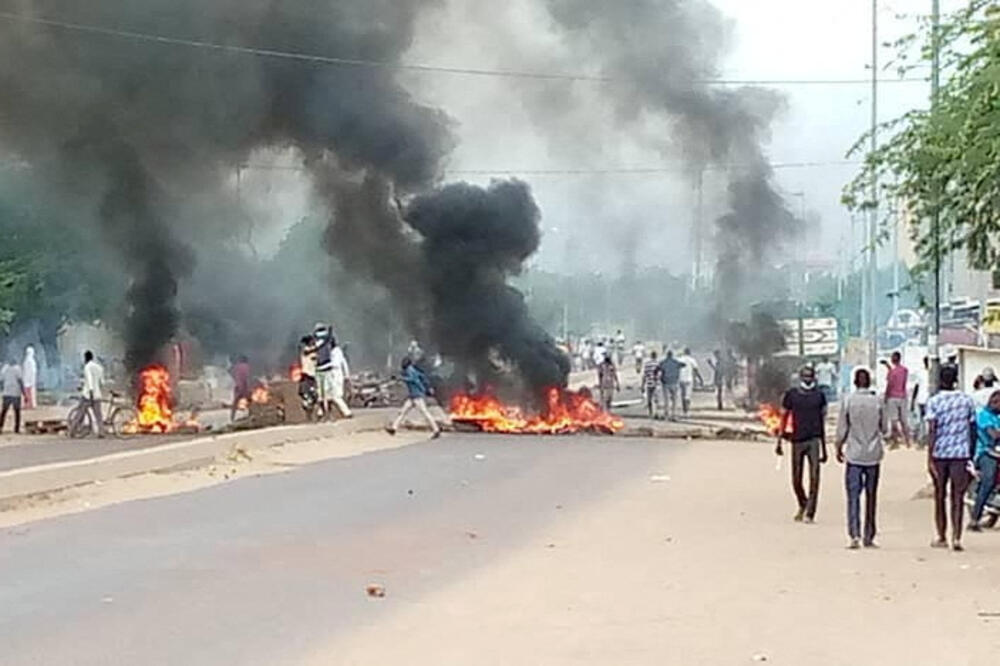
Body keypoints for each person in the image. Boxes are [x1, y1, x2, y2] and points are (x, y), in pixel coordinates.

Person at [925, 364, 977, 551]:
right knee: (958, 496)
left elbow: (932, 430)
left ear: (940, 380)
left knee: (940, 495)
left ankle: (941, 536)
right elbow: (972, 429)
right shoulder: (966, 400)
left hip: (940, 454)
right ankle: (956, 537)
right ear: (956, 380)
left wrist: (929, 457)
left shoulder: (934, 401)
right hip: (960, 454)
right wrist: (971, 454)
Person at [835, 367, 886, 548]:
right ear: (869, 382)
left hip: (854, 455)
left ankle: (854, 534)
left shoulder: (848, 400)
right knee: (872, 496)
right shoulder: (877, 401)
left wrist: (838, 446)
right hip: (873, 455)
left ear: (855, 382)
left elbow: (842, 428)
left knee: (853, 496)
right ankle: (869, 536)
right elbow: (884, 428)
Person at [776, 365, 829, 523]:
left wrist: (824, 448)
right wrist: (779, 440)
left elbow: (822, 421)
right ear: (800, 377)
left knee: (814, 478)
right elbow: (784, 417)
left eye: (810, 376)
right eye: (805, 376)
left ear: (814, 377)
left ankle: (810, 513)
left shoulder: (820, 395)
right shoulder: (792, 395)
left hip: (814, 440)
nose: (807, 379)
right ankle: (803, 503)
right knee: (796, 479)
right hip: (797, 439)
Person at [386, 357, 441, 438]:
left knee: (425, 413)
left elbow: (412, 379)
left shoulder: (410, 370)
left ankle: (436, 430)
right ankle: (393, 429)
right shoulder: (410, 370)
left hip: (417, 396)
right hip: (412, 396)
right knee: (402, 412)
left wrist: (401, 378)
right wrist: (398, 377)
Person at [970, 389, 1000, 532]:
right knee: (988, 482)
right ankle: (975, 518)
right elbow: (993, 435)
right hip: (986, 453)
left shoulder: (997, 416)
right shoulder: (983, 415)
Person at [884, 351, 911, 449]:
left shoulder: (892, 372)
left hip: (893, 397)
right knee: (904, 420)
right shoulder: (904, 370)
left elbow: (890, 384)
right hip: (902, 396)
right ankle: (908, 441)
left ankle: (895, 442)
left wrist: (886, 396)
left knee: (894, 420)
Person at [325, 335, 353, 419]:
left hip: (336, 375)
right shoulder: (335, 352)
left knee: (336, 396)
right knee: (328, 396)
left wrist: (323, 366)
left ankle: (347, 412)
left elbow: (336, 364)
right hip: (333, 375)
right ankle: (327, 414)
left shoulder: (336, 352)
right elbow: (344, 363)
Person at [81, 351, 105, 437]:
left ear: (86, 358)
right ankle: (101, 432)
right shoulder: (99, 367)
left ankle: (72, 432)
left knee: (80, 413)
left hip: (88, 395)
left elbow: (89, 379)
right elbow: (102, 382)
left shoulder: (87, 367)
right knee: (98, 415)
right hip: (97, 395)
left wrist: (91, 391)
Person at [658, 350, 684, 421]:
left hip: (665, 382)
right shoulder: (675, 362)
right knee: (674, 400)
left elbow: (658, 368)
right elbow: (683, 365)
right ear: (672, 355)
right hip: (674, 382)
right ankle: (673, 415)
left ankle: (666, 414)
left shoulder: (663, 362)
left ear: (667, 355)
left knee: (666, 400)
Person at [1, 354, 24, 434]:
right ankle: (16, 429)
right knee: (17, 412)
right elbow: (20, 381)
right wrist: (24, 393)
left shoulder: (5, 369)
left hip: (6, 392)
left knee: (4, 411)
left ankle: (0, 427)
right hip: (15, 393)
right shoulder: (18, 369)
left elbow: (1, 380)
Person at [677, 347, 702, 415]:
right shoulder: (692, 360)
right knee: (687, 396)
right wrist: (700, 379)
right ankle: (687, 410)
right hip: (689, 380)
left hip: (681, 379)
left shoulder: (679, 360)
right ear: (689, 353)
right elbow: (696, 370)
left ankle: (684, 410)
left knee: (683, 395)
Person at [911, 356, 930, 446]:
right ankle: (923, 439)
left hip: (926, 399)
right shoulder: (924, 373)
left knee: (924, 420)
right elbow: (916, 387)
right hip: (923, 399)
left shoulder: (929, 373)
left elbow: (916, 387)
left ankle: (924, 439)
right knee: (923, 420)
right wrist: (913, 400)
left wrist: (913, 400)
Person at [230, 355, 251, 421]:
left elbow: (234, 375)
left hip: (238, 387)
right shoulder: (246, 367)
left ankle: (232, 417)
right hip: (244, 387)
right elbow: (246, 377)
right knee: (250, 401)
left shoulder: (236, 367)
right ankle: (250, 414)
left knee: (235, 403)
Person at [642, 350, 662, 419]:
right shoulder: (658, 364)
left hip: (649, 383)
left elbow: (644, 375)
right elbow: (660, 374)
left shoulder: (647, 364)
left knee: (649, 400)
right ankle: (656, 413)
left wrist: (642, 384)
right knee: (656, 400)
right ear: (656, 356)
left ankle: (650, 414)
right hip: (656, 384)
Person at [21, 345, 37, 410]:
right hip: (30, 380)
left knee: (26, 393)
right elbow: (33, 371)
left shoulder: (25, 361)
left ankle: (26, 404)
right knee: (30, 393)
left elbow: (24, 370)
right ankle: (31, 404)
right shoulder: (31, 361)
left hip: (26, 379)